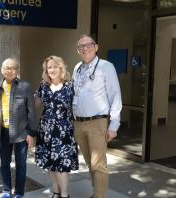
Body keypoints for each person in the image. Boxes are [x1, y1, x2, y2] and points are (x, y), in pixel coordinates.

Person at [72, 34, 122, 198]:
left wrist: (114, 126)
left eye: (88, 45)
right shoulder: (77, 68)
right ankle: (96, 193)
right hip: (79, 123)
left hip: (97, 122)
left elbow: (115, 96)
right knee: (90, 163)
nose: (85, 48)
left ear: (96, 47)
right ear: (78, 50)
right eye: (81, 46)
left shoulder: (106, 67)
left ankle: (99, 196)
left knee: (98, 164)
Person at [0, 58, 37, 198]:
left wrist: (31, 133)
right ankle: (6, 190)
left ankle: (19, 192)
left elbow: (31, 111)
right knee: (4, 163)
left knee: (21, 165)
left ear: (17, 70)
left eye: (12, 68)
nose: (9, 70)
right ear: (1, 69)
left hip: (21, 132)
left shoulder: (25, 86)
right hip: (3, 132)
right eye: (6, 67)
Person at [35, 55, 79, 198]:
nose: (52, 70)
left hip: (64, 131)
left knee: (62, 164)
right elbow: (35, 104)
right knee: (50, 163)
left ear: (61, 68)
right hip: (46, 130)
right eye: (49, 67)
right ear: (46, 70)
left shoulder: (71, 86)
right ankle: (56, 191)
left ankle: (65, 194)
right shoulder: (43, 86)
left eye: (55, 66)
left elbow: (79, 106)